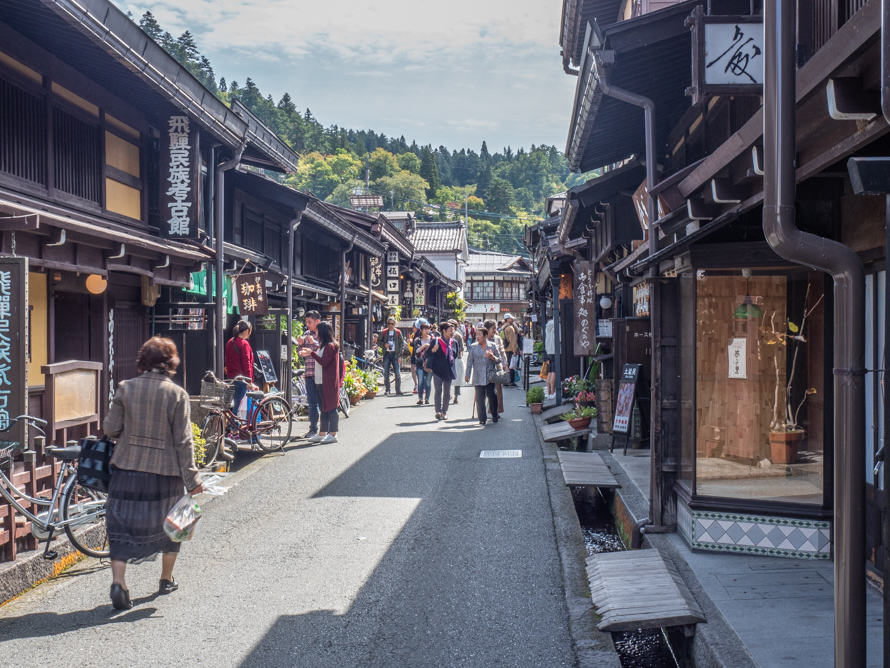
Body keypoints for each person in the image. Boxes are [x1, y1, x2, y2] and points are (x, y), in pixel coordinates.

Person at [103, 336, 204, 610]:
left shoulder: (125, 388)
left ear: (143, 361)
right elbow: (184, 441)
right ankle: (166, 578)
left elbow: (111, 429)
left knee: (120, 526)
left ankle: (119, 581)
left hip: (127, 468)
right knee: (173, 526)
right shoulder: (177, 395)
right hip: (165, 472)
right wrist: (193, 480)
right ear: (170, 363)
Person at [299, 321, 341, 444]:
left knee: (331, 407)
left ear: (322, 332)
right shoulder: (324, 346)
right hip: (321, 380)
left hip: (327, 381)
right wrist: (310, 351)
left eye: (317, 331)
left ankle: (333, 433)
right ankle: (322, 433)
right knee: (324, 407)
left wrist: (311, 353)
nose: (315, 333)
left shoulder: (330, 346)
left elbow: (324, 362)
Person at [465, 327, 502, 425]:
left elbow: (499, 360)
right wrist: (467, 374)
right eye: (476, 334)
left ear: (485, 336)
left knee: (492, 396)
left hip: (489, 375)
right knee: (479, 398)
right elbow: (469, 361)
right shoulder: (473, 347)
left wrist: (492, 357)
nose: (477, 336)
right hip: (477, 374)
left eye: (480, 334)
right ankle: (482, 418)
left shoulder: (492, 346)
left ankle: (494, 414)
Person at [224, 320, 258, 422]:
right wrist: (249, 381)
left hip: (231, 378)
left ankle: (233, 428)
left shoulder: (230, 342)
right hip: (242, 379)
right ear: (247, 331)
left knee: (233, 404)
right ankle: (235, 430)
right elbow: (246, 364)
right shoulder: (244, 344)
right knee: (239, 405)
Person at [296, 311, 322, 439]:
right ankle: (313, 429)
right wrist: (300, 345)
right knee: (312, 403)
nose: (307, 325)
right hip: (309, 372)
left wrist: (314, 342)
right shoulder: (306, 334)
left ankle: (325, 429)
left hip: (321, 373)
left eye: (309, 322)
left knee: (323, 402)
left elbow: (325, 350)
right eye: (306, 322)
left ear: (317, 321)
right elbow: (301, 352)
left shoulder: (323, 333)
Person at [428, 321, 457, 420]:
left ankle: (444, 411)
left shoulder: (454, 342)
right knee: (438, 390)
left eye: (453, 330)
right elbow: (428, 353)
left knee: (447, 392)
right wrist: (433, 350)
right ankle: (438, 411)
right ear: (444, 331)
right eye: (450, 330)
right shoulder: (435, 341)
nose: (452, 332)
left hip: (448, 370)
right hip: (437, 369)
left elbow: (455, 354)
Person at [484, 319, 509, 414]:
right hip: (486, 368)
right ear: (486, 329)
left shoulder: (497, 338)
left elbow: (502, 353)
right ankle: (488, 408)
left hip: (497, 366)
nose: (495, 330)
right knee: (487, 391)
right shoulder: (482, 338)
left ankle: (495, 410)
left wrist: (505, 364)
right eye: (493, 328)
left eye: (495, 328)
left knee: (498, 390)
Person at [380, 317, 404, 395]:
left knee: (397, 373)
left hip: (395, 354)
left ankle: (398, 390)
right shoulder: (384, 332)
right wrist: (384, 344)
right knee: (386, 373)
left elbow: (401, 344)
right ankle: (387, 389)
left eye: (392, 324)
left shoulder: (397, 332)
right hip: (386, 354)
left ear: (395, 324)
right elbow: (378, 341)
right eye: (389, 323)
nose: (390, 325)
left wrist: (400, 355)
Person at [412, 322, 434, 405]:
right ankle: (420, 398)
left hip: (430, 363)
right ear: (421, 330)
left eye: (428, 329)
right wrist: (424, 346)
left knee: (428, 382)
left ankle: (427, 398)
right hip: (420, 363)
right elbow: (416, 350)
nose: (427, 331)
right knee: (420, 381)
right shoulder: (417, 339)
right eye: (425, 329)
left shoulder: (432, 339)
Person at [449, 319, 465, 404]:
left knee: (457, 379)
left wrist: (455, 350)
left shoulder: (458, 335)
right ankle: (448, 394)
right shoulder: (445, 335)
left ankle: (456, 396)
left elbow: (462, 347)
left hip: (457, 358)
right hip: (447, 359)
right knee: (447, 378)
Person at [502, 313, 519, 386]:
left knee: (506, 365)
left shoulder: (503, 327)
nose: (512, 319)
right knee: (511, 366)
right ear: (508, 319)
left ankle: (505, 380)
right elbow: (513, 340)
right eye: (511, 318)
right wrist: (515, 350)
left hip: (504, 349)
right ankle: (511, 381)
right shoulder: (510, 328)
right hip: (510, 349)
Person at [544, 318, 557, 399]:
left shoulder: (548, 326)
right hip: (556, 350)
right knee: (554, 372)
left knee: (550, 372)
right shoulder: (556, 325)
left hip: (548, 351)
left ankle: (548, 393)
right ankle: (553, 392)